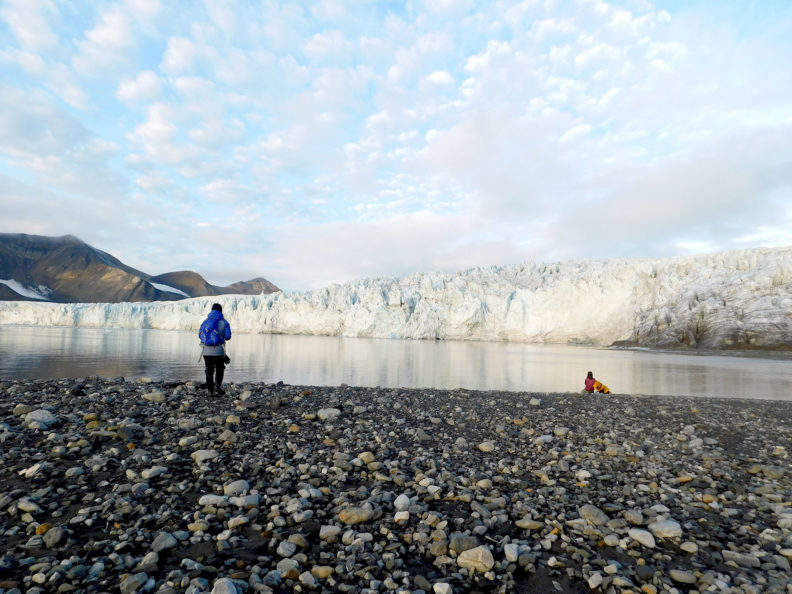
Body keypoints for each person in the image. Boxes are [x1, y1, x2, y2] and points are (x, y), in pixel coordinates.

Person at [199, 303, 231, 395]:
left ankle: (210, 391)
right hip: (219, 352)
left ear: (212, 310)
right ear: (221, 311)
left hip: (206, 351)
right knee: (220, 369)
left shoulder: (205, 322)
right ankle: (217, 387)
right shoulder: (224, 322)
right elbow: (228, 336)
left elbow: (200, 335)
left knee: (209, 370)